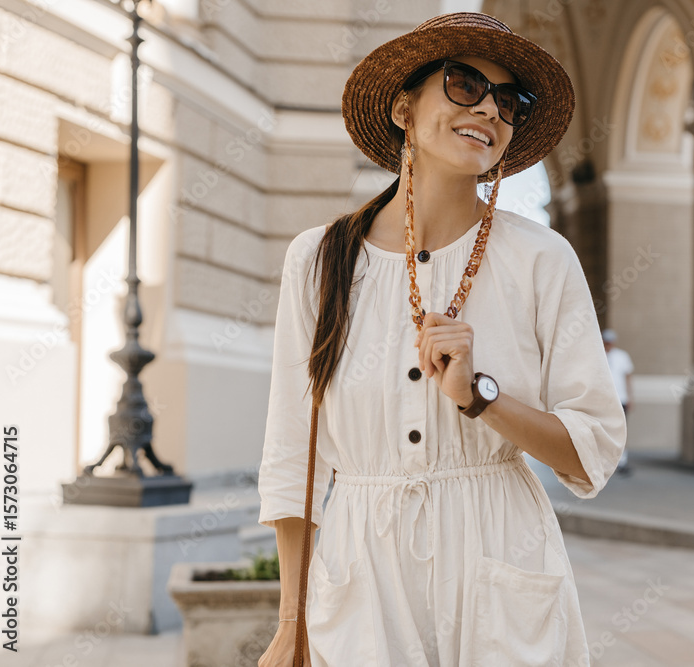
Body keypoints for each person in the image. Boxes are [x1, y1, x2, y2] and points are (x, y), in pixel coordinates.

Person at [255, 12, 626, 667]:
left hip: (498, 555)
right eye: (464, 84)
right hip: (360, 570)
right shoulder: (318, 259)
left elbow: (591, 448)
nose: (488, 108)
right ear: (404, 107)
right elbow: (294, 453)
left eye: (508, 101)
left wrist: (482, 397)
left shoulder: (542, 259)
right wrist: (291, 620)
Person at [602, 329, 635, 475]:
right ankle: (604, 461)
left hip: (620, 398)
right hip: (603, 400)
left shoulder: (622, 356)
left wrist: (630, 397)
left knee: (622, 430)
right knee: (603, 429)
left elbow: (628, 377)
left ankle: (622, 461)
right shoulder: (597, 354)